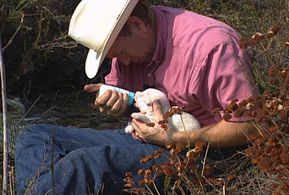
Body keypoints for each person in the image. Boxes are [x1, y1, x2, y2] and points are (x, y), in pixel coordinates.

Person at [15, 0, 259, 194]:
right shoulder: (132, 46)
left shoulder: (210, 48)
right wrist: (114, 102)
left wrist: (178, 138)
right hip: (147, 140)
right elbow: (126, 96)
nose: (123, 62)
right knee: (35, 136)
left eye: (121, 52)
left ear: (137, 24)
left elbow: (252, 125)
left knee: (84, 165)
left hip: (203, 154)